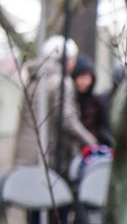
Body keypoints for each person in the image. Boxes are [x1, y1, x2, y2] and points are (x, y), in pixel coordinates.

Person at [13, 35, 99, 176]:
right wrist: (91, 142)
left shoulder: (33, 82)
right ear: (65, 59)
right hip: (45, 156)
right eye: (72, 59)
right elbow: (66, 119)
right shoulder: (62, 82)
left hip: (25, 157)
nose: (73, 63)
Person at [71, 55, 115, 148]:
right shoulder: (72, 101)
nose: (84, 82)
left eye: (87, 77)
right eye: (81, 77)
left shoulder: (99, 101)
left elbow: (105, 128)